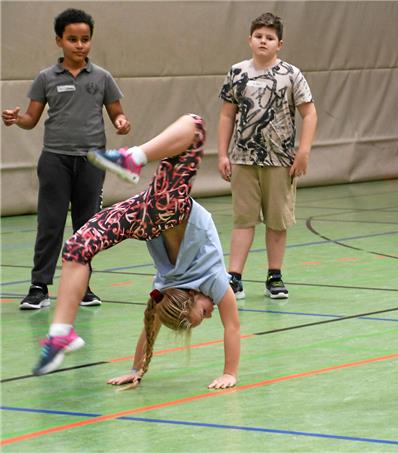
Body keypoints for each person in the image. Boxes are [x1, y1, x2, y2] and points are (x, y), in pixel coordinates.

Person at [32, 114, 241, 390]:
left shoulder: (169, 287)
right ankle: (60, 332)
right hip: (155, 212)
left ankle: (60, 332)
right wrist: (230, 373)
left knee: (196, 126)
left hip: (153, 214)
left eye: (204, 313)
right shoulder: (209, 280)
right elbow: (233, 326)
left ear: (189, 296)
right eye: (203, 314)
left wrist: (137, 368)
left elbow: (150, 327)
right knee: (76, 247)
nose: (211, 312)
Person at [2, 8, 131, 310]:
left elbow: (117, 114)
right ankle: (39, 287)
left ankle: (82, 286)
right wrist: (16, 118)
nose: (79, 45)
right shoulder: (46, 78)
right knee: (50, 223)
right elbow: (31, 119)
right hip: (55, 160)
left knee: (86, 227)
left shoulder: (102, 78)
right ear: (59, 40)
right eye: (72, 39)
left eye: (85, 39)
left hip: (92, 161)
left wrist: (123, 122)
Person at [216, 12, 318, 300]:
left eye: (270, 38)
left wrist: (304, 151)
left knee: (277, 221)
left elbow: (309, 114)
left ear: (279, 44)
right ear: (250, 40)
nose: (263, 41)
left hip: (280, 161)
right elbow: (226, 115)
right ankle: (234, 277)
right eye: (259, 36)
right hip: (243, 159)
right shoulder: (237, 73)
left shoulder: (291, 75)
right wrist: (223, 154)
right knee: (243, 219)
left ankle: (275, 275)